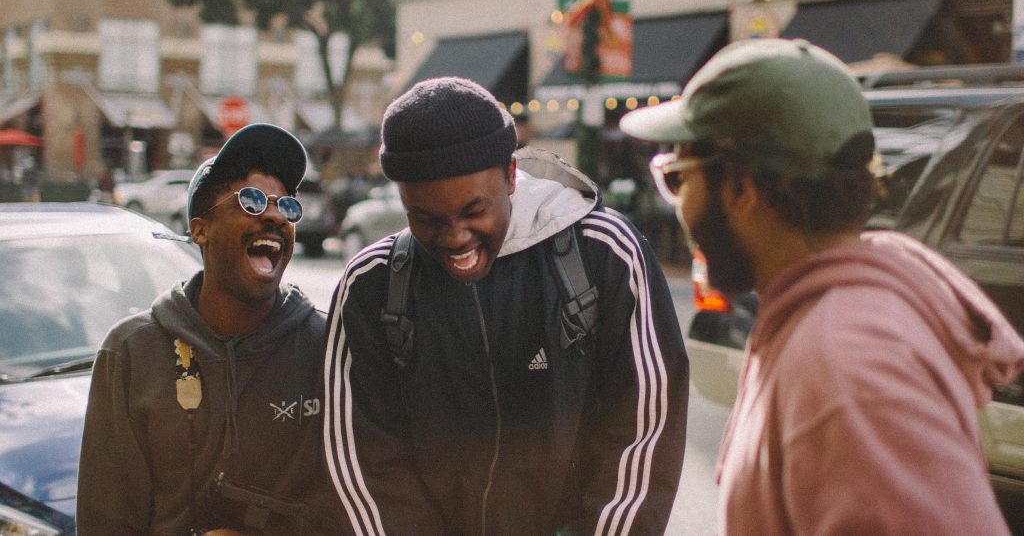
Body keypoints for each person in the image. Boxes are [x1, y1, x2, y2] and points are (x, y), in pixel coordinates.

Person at [620, 38, 1024, 534]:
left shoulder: (844, 365)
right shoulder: (838, 324)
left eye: (678, 178)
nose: (679, 207)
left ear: (743, 188)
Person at [324, 77, 689, 535]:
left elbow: (644, 433)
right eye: (426, 218)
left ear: (512, 175)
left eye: (474, 211)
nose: (455, 238)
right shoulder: (370, 285)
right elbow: (364, 462)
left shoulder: (605, 252)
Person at [78, 123, 342, 535]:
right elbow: (106, 523)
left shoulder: (326, 347)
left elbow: (352, 509)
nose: (276, 215)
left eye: (288, 206)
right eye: (252, 201)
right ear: (200, 230)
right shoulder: (131, 352)